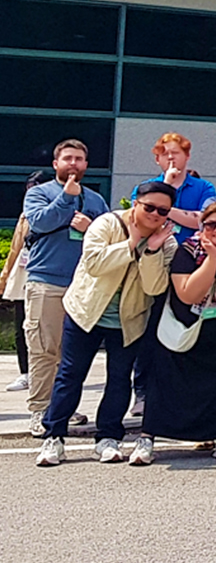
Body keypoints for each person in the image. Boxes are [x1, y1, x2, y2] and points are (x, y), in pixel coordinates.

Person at [35, 181, 176, 468]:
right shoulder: (106, 223)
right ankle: (55, 436)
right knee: (71, 374)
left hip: (129, 319)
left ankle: (108, 437)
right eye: (149, 207)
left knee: (119, 377)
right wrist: (130, 244)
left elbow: (155, 287)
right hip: (86, 311)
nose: (155, 215)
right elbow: (94, 263)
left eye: (163, 211)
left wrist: (151, 252)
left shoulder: (166, 241)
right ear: (135, 202)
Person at [141, 202, 216, 464]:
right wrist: (211, 259)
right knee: (165, 383)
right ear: (201, 227)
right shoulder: (187, 251)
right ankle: (148, 437)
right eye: (211, 225)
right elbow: (187, 293)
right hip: (182, 326)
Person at [22, 139, 109, 435]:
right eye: (68, 158)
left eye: (79, 159)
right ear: (55, 164)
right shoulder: (39, 193)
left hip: (84, 287)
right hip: (46, 282)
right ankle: (40, 409)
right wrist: (65, 198)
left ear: (86, 165)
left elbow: (109, 238)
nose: (73, 164)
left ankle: (63, 408)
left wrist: (90, 228)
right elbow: (40, 223)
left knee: (72, 353)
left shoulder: (96, 200)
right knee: (44, 349)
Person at [1, 171, 50, 393]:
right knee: (22, 325)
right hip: (23, 273)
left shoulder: (56, 213)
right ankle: (25, 373)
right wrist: (5, 275)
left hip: (46, 275)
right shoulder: (25, 215)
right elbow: (15, 248)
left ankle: (44, 374)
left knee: (43, 328)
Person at [134, 132, 216, 244]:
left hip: (190, 251)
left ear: (187, 156)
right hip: (154, 250)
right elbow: (138, 219)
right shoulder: (144, 188)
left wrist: (158, 209)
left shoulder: (204, 187)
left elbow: (204, 221)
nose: (170, 157)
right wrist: (166, 185)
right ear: (157, 159)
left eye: (175, 153)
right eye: (164, 154)